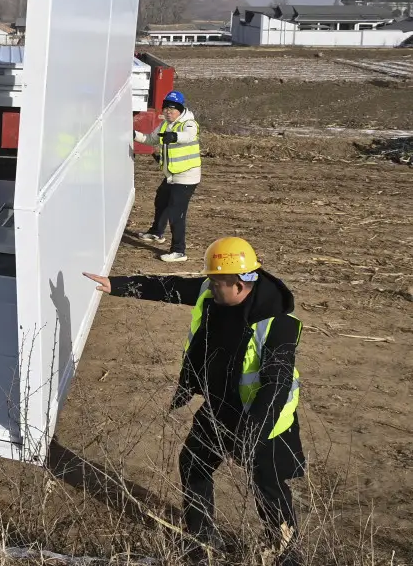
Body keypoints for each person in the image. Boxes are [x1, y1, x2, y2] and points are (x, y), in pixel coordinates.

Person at [83, 237, 305, 565]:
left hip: (263, 418)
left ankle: (285, 551)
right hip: (218, 408)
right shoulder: (212, 292)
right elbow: (169, 286)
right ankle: (201, 540)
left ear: (242, 283)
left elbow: (277, 384)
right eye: (211, 280)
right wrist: (117, 284)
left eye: (218, 282)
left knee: (267, 485)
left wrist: (253, 431)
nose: (210, 287)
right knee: (193, 465)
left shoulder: (277, 325)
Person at [135, 89, 200, 262]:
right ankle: (157, 232)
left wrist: (174, 136)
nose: (169, 111)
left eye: (173, 108)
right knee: (161, 200)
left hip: (186, 177)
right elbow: (150, 139)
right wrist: (133, 135)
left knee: (176, 213)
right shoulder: (165, 125)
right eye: (166, 108)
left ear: (180, 109)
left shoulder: (188, 123)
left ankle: (179, 251)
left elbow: (188, 136)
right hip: (172, 176)